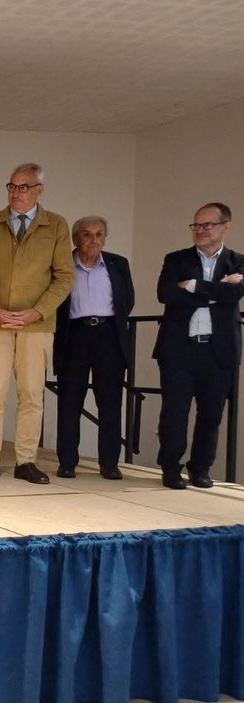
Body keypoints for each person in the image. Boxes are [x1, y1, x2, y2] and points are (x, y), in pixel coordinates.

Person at [0, 162, 73, 486]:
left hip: (36, 326)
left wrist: (37, 312)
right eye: (12, 186)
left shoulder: (56, 225)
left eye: (24, 187)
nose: (16, 193)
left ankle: (26, 460)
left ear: (39, 190)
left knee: (31, 395)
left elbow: (64, 276)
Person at [153, 203, 244, 489]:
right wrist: (218, 290)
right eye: (196, 225)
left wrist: (193, 286)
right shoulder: (176, 259)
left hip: (219, 351)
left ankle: (200, 468)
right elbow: (165, 294)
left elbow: (236, 294)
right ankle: (170, 468)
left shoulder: (238, 261)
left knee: (212, 413)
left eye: (208, 225)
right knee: (174, 412)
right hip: (180, 349)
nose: (201, 231)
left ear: (225, 226)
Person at [53, 216, 135, 480]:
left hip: (109, 336)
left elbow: (127, 301)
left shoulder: (118, 264)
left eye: (100, 234)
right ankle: (67, 462)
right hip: (74, 335)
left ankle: (109, 464)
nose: (94, 240)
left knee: (110, 402)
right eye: (87, 234)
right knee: (69, 402)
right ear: (76, 239)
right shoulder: (62, 264)